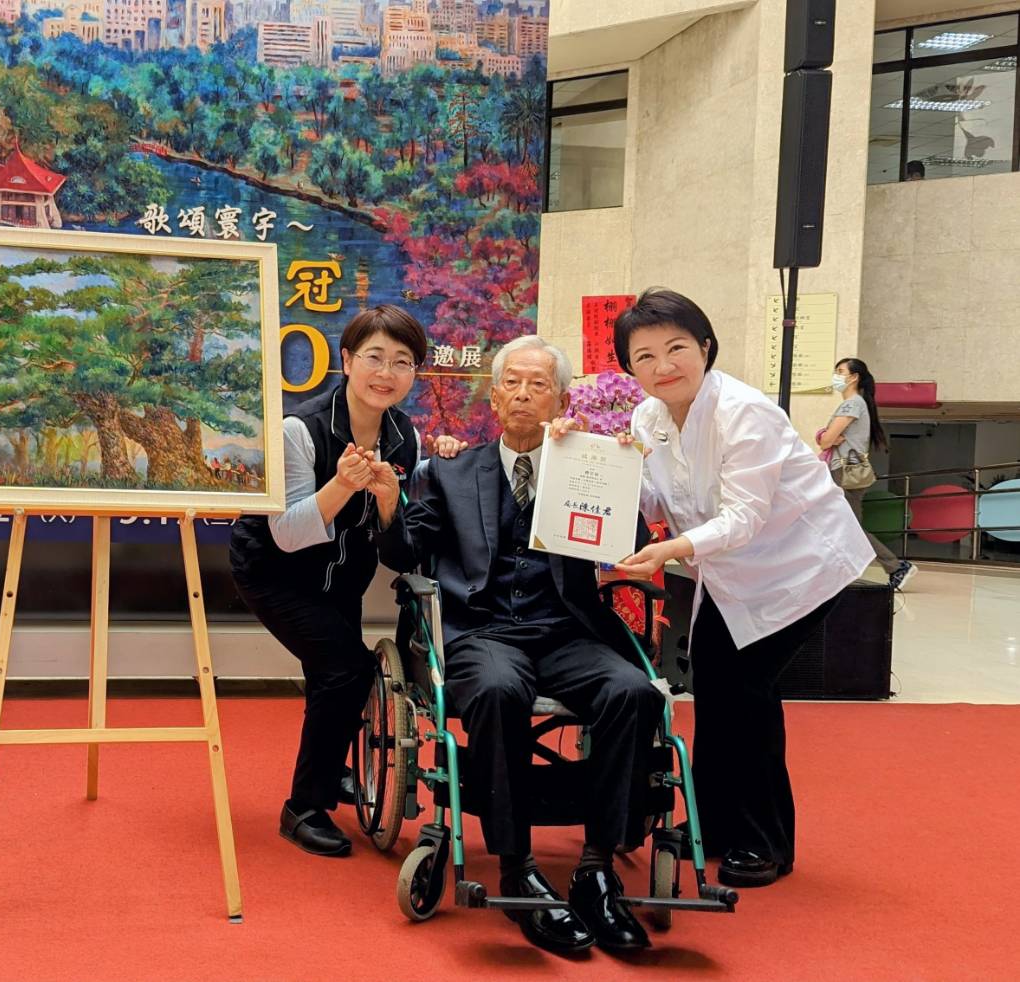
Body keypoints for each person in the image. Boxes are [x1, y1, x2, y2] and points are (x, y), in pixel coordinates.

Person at [376, 335, 662, 954]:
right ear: (495, 397)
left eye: (540, 385)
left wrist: (615, 468)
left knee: (634, 691)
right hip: (482, 631)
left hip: (565, 629)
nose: (525, 395)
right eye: (513, 383)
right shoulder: (451, 471)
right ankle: (516, 866)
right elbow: (404, 552)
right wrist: (389, 501)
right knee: (500, 690)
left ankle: (596, 870)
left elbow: (631, 547)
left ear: (561, 400)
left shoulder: (585, 465)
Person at [601, 288, 871, 890]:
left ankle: (764, 841)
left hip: (800, 566)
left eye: (676, 348)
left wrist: (669, 550)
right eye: (644, 356)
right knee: (718, 687)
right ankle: (716, 826)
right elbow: (652, 500)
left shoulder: (744, 412)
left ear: (705, 347)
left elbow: (744, 517)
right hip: (729, 572)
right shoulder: (648, 419)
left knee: (745, 691)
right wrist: (602, 469)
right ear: (629, 368)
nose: (663, 365)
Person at [230, 305, 462, 859]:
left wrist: (400, 493)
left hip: (344, 577)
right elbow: (287, 534)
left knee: (334, 678)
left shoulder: (404, 437)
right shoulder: (300, 430)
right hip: (274, 573)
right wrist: (341, 485)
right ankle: (302, 808)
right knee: (347, 669)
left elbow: (398, 549)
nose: (386, 373)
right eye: (375, 357)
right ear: (348, 360)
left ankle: (331, 771)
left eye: (402, 362)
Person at [820, 357, 916, 590]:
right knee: (842, 526)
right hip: (847, 471)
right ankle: (841, 573)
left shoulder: (852, 404)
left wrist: (827, 436)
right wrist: (829, 437)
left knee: (849, 527)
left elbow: (825, 441)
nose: (836, 376)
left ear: (854, 377)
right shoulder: (856, 404)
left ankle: (896, 566)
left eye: (840, 371)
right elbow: (829, 438)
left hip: (845, 472)